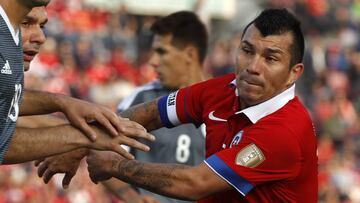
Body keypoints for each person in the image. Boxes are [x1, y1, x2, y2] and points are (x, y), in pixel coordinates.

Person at [39, 8, 317, 202]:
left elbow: (195, 183)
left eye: (270, 58)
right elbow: (151, 113)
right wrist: (82, 147)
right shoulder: (223, 89)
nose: (253, 67)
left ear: (295, 72)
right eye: (247, 50)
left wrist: (114, 166)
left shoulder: (283, 132)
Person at [0, 2, 154, 165]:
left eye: (42, 26)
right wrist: (86, 137)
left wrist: (61, 103)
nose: (40, 37)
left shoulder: (11, 40)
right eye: (26, 23)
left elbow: (8, 108)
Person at [102, 11, 207, 203]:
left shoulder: (221, 105)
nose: (153, 61)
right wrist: (133, 198)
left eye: (162, 51)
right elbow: (102, 156)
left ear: (190, 54)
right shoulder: (140, 98)